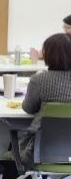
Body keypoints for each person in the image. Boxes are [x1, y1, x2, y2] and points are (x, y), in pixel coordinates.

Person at [20, 33, 71, 166]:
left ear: (47, 55)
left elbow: (28, 108)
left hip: (39, 150)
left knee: (14, 144)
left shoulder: (39, 80)